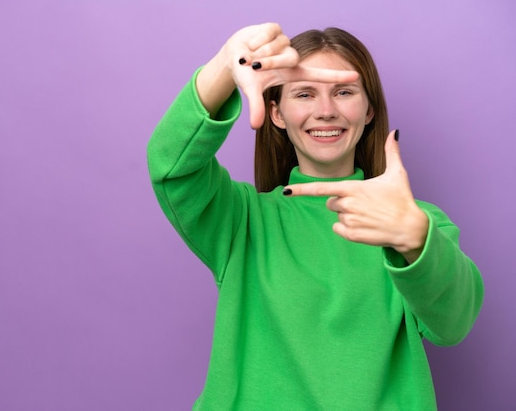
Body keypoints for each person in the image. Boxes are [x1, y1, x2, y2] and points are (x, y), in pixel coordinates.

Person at [147, 22, 484, 410]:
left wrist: (417, 239)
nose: (326, 111)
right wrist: (225, 65)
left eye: (344, 92)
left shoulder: (414, 220)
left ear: (369, 109)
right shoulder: (242, 220)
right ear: (276, 113)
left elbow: (454, 324)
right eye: (304, 94)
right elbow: (170, 166)